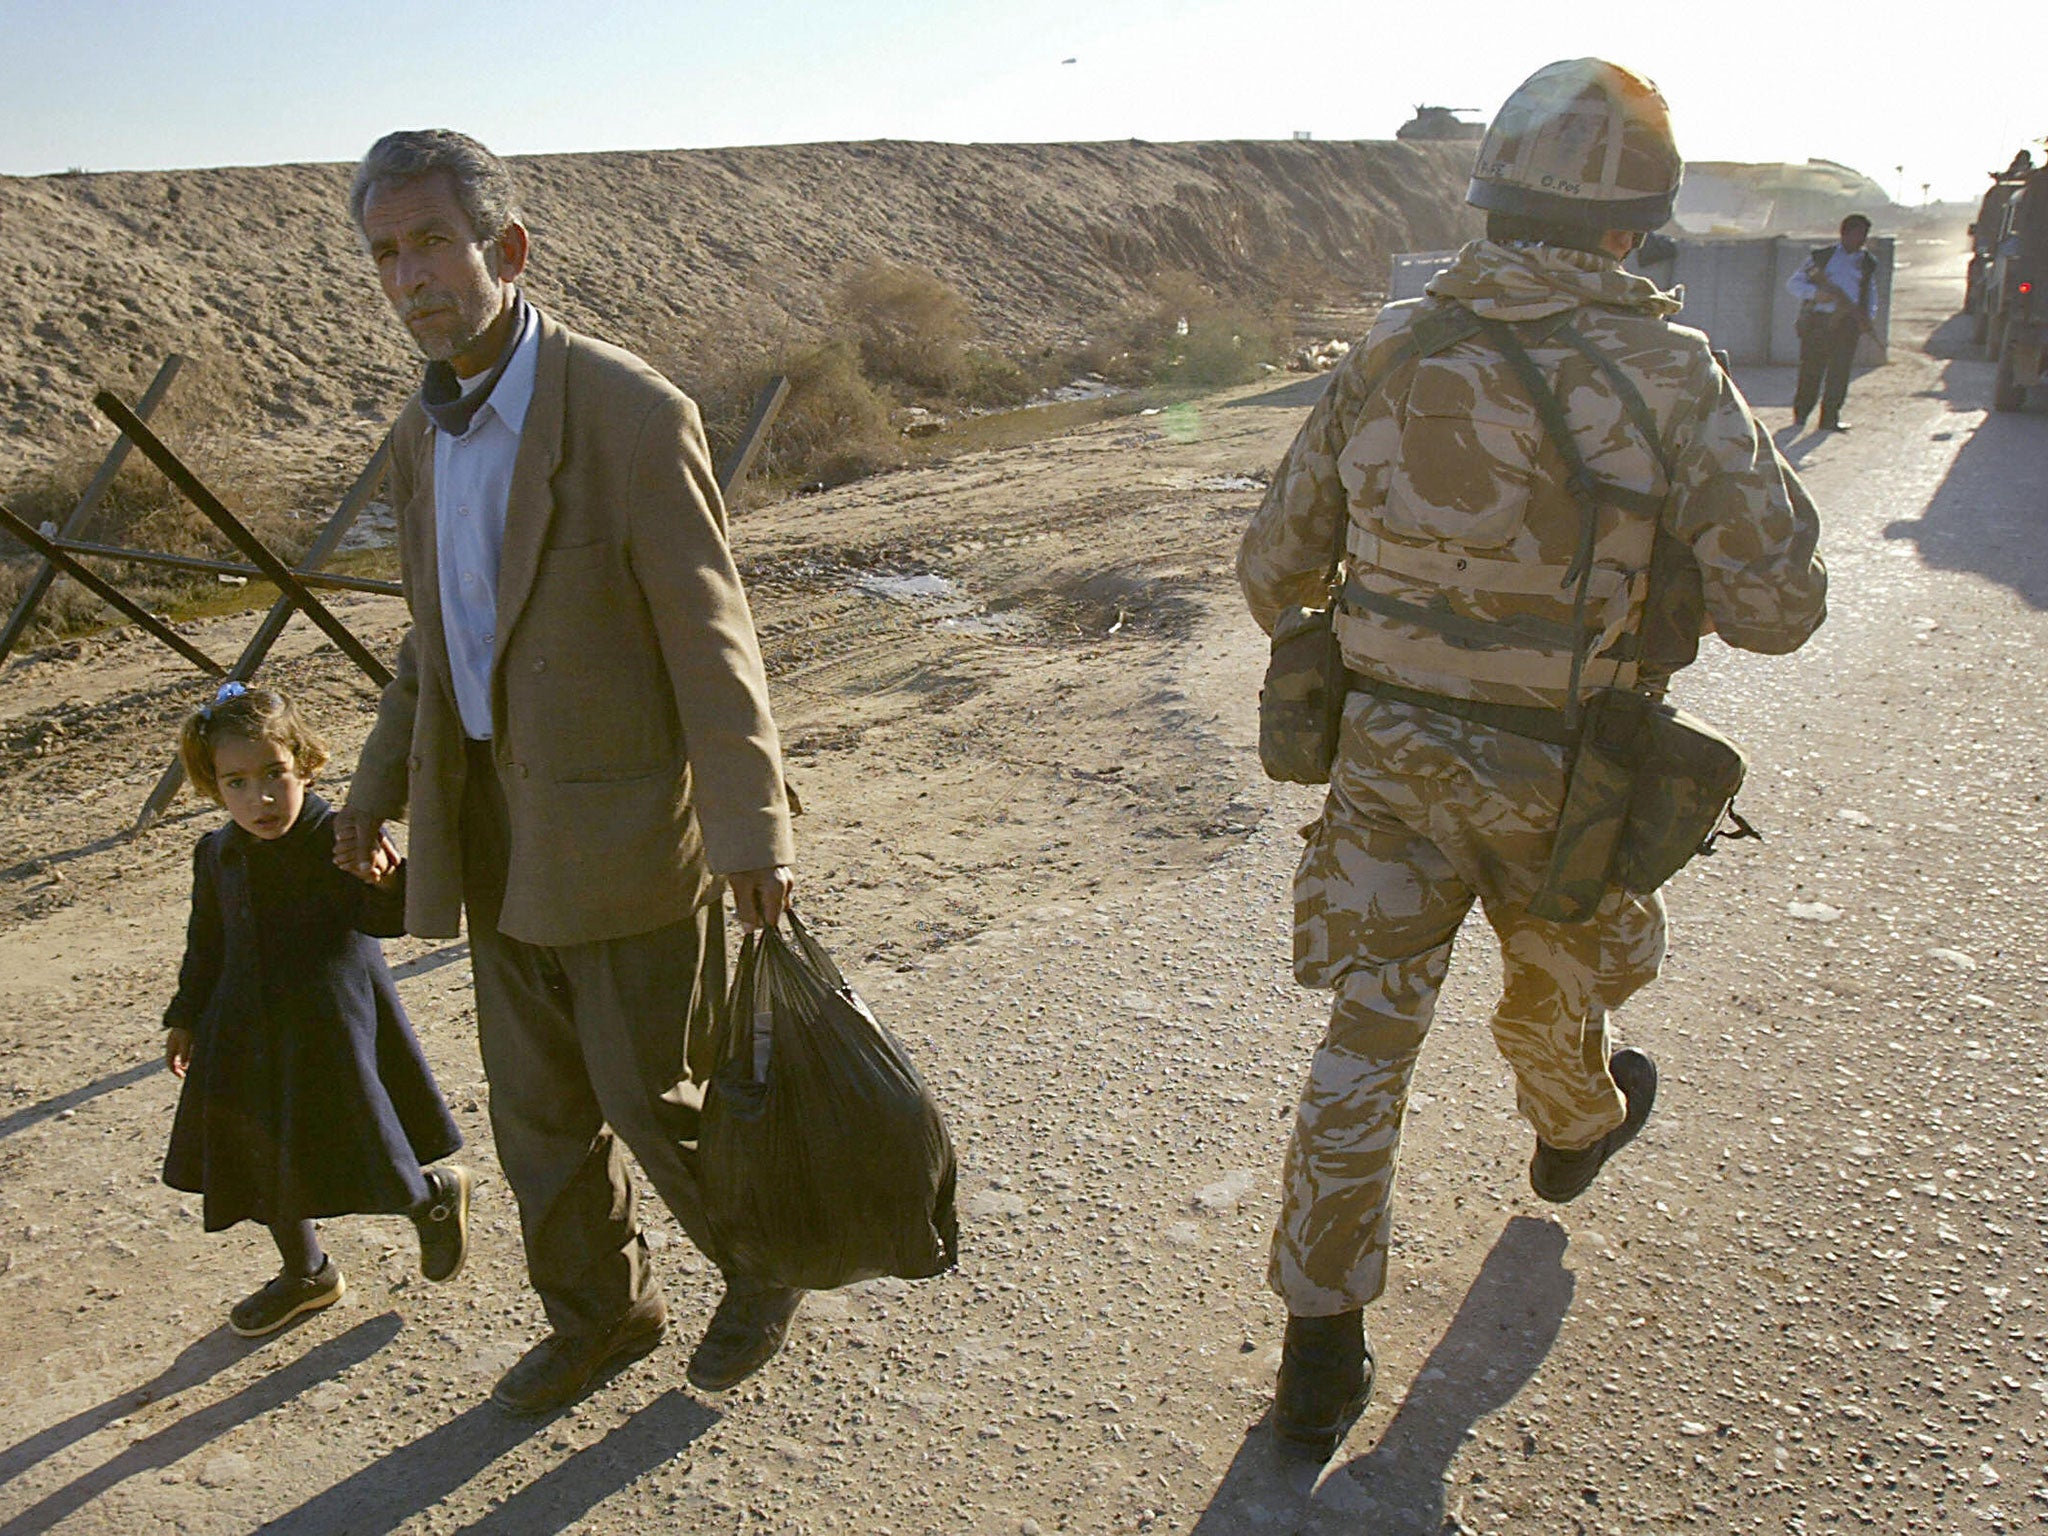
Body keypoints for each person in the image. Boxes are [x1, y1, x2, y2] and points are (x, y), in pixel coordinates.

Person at [1237, 58, 1827, 1463]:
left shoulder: (1391, 349)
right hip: (1565, 783)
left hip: (1384, 766)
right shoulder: (1675, 374)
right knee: (1559, 983)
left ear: (1491, 195)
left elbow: (1274, 573)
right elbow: (1782, 610)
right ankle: (1573, 1125)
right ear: (1634, 223)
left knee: (1363, 1038)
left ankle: (1318, 1348)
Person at [334, 129, 801, 1414]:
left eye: (433, 240)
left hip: (623, 830)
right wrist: (375, 790)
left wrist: (751, 824)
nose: (412, 275)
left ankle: (760, 1261)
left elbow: (713, 639)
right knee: (536, 1112)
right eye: (387, 253)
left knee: (650, 1094)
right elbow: (434, 641)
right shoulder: (419, 436)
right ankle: (602, 1312)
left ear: (507, 248)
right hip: (491, 831)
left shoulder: (629, 413)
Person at [163, 681, 470, 1339]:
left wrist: (387, 884)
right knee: (260, 1153)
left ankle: (431, 1200)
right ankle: (307, 1273)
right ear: (214, 786)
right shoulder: (216, 854)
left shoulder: (337, 834)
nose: (261, 798)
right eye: (237, 782)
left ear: (303, 761)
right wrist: (185, 1014)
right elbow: (206, 941)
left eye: (274, 773)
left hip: (332, 1024)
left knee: (367, 1139)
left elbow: (383, 921)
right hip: (244, 1029)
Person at [1787, 213, 1879, 432]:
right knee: (1811, 370)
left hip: (1847, 324)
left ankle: (1830, 419)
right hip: (1819, 321)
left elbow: (1870, 293)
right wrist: (1816, 293)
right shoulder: (1822, 258)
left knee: (1840, 372)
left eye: (1864, 235)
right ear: (1844, 234)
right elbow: (1793, 284)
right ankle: (1801, 416)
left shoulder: (1867, 262)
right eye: (1857, 234)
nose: (1861, 240)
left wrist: (1865, 318)